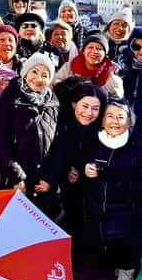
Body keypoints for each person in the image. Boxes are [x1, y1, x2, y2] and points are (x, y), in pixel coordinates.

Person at [81, 98, 142, 280]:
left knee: (120, 239)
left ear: (129, 122)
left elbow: (140, 183)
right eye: (109, 116)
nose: (114, 121)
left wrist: (107, 174)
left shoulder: (135, 147)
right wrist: (86, 168)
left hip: (122, 207)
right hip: (94, 205)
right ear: (102, 120)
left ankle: (126, 271)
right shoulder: (93, 141)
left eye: (121, 117)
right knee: (96, 241)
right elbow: (81, 160)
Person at [0, 52, 61, 219]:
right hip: (13, 181)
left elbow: (59, 143)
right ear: (25, 72)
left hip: (42, 185)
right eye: (34, 71)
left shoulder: (53, 103)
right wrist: (16, 176)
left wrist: (50, 177)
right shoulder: (9, 99)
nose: (38, 78)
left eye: (45, 74)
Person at [43, 79, 108, 244]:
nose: (89, 113)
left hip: (92, 185)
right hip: (63, 183)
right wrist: (67, 170)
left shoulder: (103, 129)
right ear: (74, 105)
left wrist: (86, 168)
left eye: (95, 108)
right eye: (84, 106)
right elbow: (55, 154)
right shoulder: (61, 124)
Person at [52, 32, 124, 98]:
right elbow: (54, 84)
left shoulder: (112, 78)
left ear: (105, 55)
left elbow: (116, 102)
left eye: (99, 49)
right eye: (90, 47)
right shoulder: (69, 67)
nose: (94, 51)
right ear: (83, 51)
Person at [104, 5, 135, 69]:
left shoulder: (133, 47)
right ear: (109, 26)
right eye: (116, 23)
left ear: (129, 30)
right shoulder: (100, 43)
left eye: (124, 25)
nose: (120, 28)